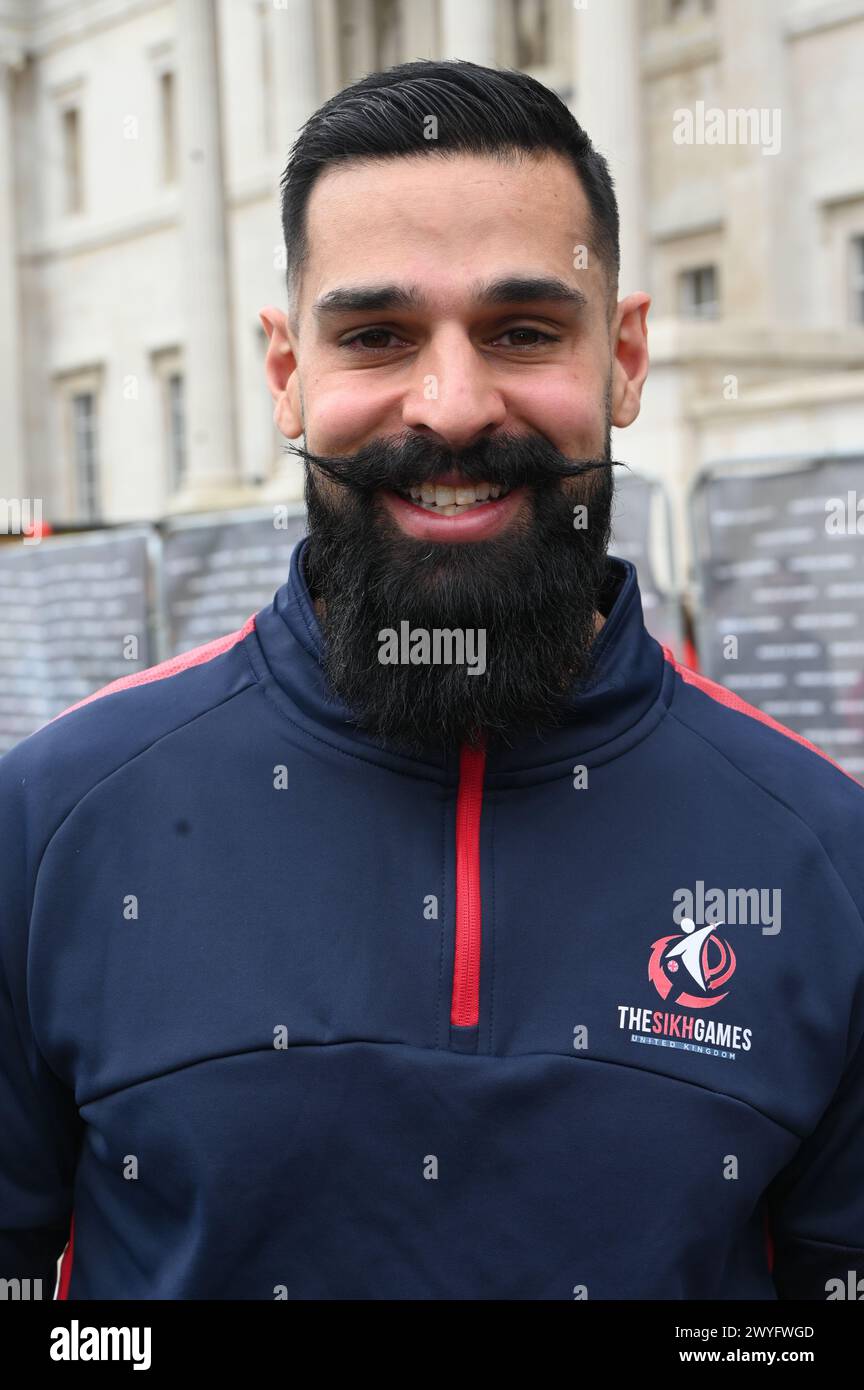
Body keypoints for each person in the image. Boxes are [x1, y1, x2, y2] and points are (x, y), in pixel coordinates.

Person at [1, 60, 862, 1302]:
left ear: (623, 359)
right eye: (377, 337)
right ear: (287, 372)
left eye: (523, 330)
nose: (453, 407)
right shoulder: (49, 824)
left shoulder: (825, 859)